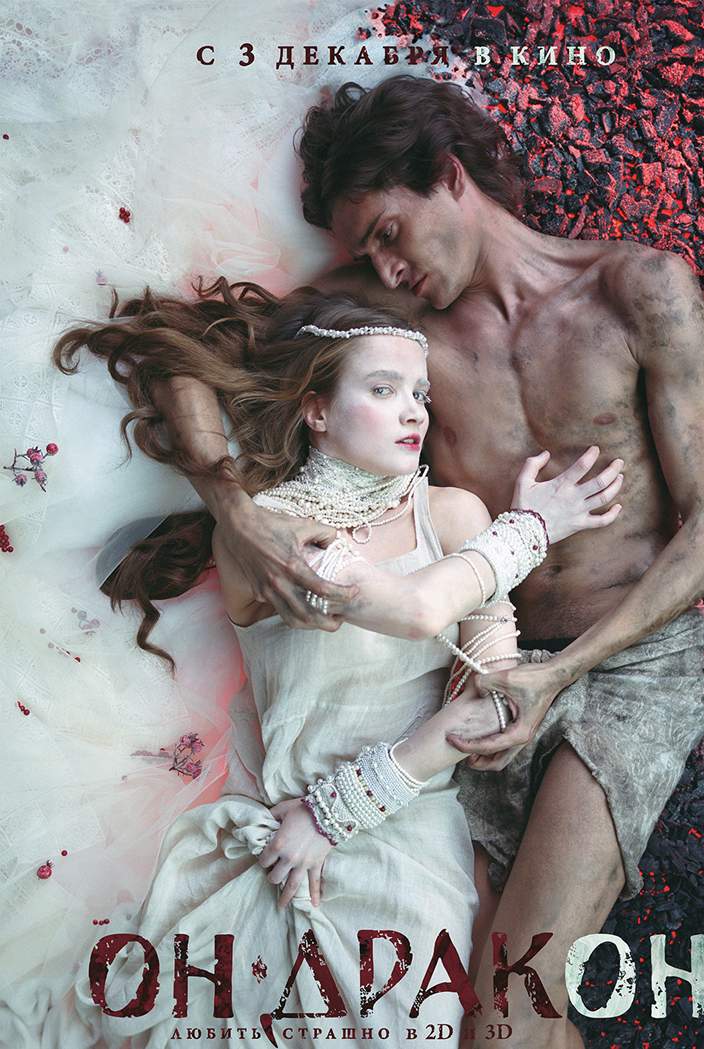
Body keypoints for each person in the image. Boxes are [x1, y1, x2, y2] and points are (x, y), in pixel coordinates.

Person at [140, 75, 704, 1047]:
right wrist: (239, 517)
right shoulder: (387, 328)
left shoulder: (637, 288)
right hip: (472, 668)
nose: (386, 264)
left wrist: (562, 670)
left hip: (625, 666)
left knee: (509, 1005)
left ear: (450, 176)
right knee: (488, 1007)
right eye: (366, 251)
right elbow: (177, 351)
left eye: (389, 230)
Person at [44, 282, 623, 1047]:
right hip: (283, 845)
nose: (415, 411)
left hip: (408, 832)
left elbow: (496, 703)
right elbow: (415, 610)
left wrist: (337, 809)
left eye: (419, 393)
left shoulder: (456, 518)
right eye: (384, 390)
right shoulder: (269, 533)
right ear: (315, 409)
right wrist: (529, 531)